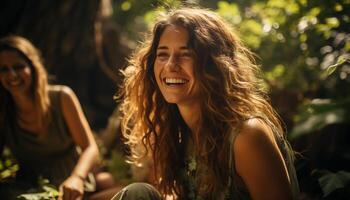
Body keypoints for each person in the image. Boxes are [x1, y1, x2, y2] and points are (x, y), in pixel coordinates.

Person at [112, 7, 300, 200]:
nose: (170, 65)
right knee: (138, 193)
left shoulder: (246, 136)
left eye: (186, 54)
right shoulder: (179, 134)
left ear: (215, 64)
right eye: (162, 54)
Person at [0, 35, 115, 199]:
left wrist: (77, 178)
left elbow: (90, 148)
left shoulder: (61, 97)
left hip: (71, 184)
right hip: (29, 187)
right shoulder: (3, 112)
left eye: (18, 67)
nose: (12, 74)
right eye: (3, 69)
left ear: (32, 67)